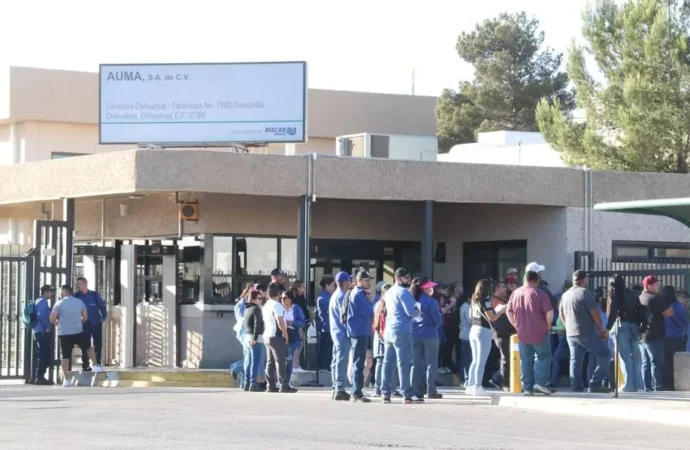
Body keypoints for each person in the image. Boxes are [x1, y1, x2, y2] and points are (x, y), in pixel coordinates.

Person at [559, 270, 611, 393]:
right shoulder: (584, 292)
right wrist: (601, 329)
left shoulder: (565, 295)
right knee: (605, 354)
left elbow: (561, 312)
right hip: (586, 332)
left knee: (575, 360)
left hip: (571, 333)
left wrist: (567, 325)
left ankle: (576, 387)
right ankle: (595, 384)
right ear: (584, 279)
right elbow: (594, 312)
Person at [506, 271, 554, 396]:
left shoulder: (515, 293)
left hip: (522, 332)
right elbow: (549, 313)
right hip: (540, 331)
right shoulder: (540, 293)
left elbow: (509, 312)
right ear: (536, 280)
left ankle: (527, 387)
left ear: (524, 279)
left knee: (525, 360)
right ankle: (540, 383)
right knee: (543, 356)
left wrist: (516, 325)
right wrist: (548, 326)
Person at [380, 267, 420, 404]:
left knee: (388, 363)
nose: (408, 280)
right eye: (405, 277)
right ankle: (406, 394)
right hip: (402, 331)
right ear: (398, 279)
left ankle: (385, 392)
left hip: (389, 330)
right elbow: (410, 312)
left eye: (409, 277)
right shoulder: (404, 292)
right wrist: (418, 311)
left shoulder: (389, 292)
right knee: (404, 363)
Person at [50, 285, 101, 387]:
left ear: (64, 292)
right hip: (78, 331)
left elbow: (52, 317)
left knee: (65, 356)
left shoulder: (59, 304)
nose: (59, 294)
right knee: (88, 347)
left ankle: (66, 380)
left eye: (60, 292)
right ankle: (95, 365)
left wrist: (57, 324)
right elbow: (85, 317)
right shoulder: (79, 302)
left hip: (64, 333)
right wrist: (78, 322)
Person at [606, 276, 644, 392]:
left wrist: (607, 329)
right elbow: (639, 309)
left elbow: (613, 314)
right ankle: (638, 385)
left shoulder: (615, 296)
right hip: (634, 327)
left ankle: (628, 385)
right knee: (635, 356)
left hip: (621, 326)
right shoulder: (632, 294)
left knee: (624, 357)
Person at [466, 279, 503, 396]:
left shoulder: (473, 300)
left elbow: (470, 315)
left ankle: (470, 385)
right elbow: (492, 317)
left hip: (473, 329)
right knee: (481, 361)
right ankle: (478, 386)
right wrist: (502, 310)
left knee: (475, 360)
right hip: (483, 331)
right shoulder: (486, 301)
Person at [344, 270, 374, 402]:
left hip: (360, 331)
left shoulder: (357, 293)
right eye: (366, 280)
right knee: (358, 362)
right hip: (359, 332)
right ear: (360, 281)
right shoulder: (358, 294)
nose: (369, 283)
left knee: (359, 361)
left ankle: (357, 390)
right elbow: (368, 311)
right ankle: (356, 391)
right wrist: (370, 301)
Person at [639, 275, 673, 391]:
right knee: (656, 362)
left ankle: (647, 386)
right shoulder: (656, 299)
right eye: (656, 285)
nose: (658, 287)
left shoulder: (640, 297)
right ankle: (657, 386)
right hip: (655, 334)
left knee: (646, 362)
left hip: (643, 334)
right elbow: (669, 313)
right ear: (649, 286)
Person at [410, 279, 443, 399]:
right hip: (430, 333)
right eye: (430, 287)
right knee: (431, 363)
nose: (432, 289)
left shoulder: (412, 300)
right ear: (424, 288)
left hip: (414, 334)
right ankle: (431, 390)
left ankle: (415, 390)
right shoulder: (431, 301)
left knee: (416, 363)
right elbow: (437, 320)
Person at [262, 284, 297, 393]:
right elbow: (280, 322)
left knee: (270, 361)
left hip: (267, 335)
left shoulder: (266, 305)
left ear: (268, 294)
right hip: (276, 335)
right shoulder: (277, 306)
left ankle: (270, 385)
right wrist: (285, 334)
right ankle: (283, 384)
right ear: (278, 295)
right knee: (280, 361)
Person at [75, 277, 107, 371]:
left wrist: (103, 318)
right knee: (85, 344)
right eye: (77, 284)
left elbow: (102, 307)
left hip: (95, 322)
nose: (77, 286)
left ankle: (97, 364)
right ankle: (86, 364)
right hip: (84, 323)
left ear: (85, 284)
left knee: (98, 344)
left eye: (79, 284)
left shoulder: (94, 295)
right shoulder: (76, 296)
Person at [329, 271, 352, 401]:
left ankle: (336, 386)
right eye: (349, 280)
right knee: (341, 360)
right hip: (342, 333)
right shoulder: (342, 296)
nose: (350, 282)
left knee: (336, 360)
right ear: (344, 282)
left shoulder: (335, 295)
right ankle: (339, 388)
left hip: (336, 332)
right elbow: (345, 317)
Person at [660, 285, 687, 390]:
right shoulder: (680, 307)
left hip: (664, 338)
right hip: (678, 338)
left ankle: (666, 386)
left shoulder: (662, 307)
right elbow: (684, 323)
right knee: (677, 364)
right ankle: (677, 385)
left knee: (665, 365)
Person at [490, 281, 514, 391]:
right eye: (503, 287)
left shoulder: (503, 300)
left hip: (508, 334)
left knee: (508, 359)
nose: (505, 289)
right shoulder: (494, 301)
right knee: (505, 359)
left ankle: (502, 380)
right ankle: (503, 382)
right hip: (501, 334)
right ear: (497, 288)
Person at [31, 285, 56, 385]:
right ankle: (39, 376)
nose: (52, 294)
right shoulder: (42, 301)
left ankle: (40, 376)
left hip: (40, 331)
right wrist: (48, 326)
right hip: (42, 331)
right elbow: (42, 315)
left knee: (44, 354)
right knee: (44, 354)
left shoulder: (39, 301)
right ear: (45, 292)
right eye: (50, 291)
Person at [242, 290, 265, 392]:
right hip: (255, 337)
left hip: (247, 336)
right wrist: (255, 339)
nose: (261, 300)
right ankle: (253, 383)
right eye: (259, 299)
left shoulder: (247, 308)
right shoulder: (256, 309)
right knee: (254, 362)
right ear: (253, 299)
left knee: (248, 361)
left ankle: (246, 383)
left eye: (261, 298)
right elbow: (258, 324)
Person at [282, 290, 306, 384]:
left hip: (292, 333)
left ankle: (288, 378)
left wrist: (292, 323)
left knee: (289, 356)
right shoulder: (280, 308)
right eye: (281, 298)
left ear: (290, 299)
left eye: (285, 298)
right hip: (282, 333)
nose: (282, 300)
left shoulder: (296, 308)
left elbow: (302, 322)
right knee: (282, 357)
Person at [372, 283, 391, 396]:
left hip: (383, 335)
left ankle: (384, 387)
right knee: (381, 362)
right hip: (381, 335)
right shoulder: (380, 305)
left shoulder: (383, 304)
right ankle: (378, 387)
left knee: (385, 362)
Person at [290, 280, 310, 373]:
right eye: (303, 287)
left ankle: (297, 364)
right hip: (298, 325)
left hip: (302, 323)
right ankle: (295, 365)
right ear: (298, 288)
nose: (305, 288)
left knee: (301, 344)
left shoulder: (301, 297)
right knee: (298, 345)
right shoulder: (296, 298)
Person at [316, 277, 336, 372]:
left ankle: (326, 365)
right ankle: (323, 366)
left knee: (329, 348)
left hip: (329, 327)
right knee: (326, 349)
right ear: (327, 285)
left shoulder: (328, 296)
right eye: (333, 285)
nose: (334, 288)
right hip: (326, 327)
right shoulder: (323, 298)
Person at [458, 295, 472, 386]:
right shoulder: (466, 307)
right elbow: (470, 321)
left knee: (466, 358)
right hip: (467, 335)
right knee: (467, 359)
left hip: (465, 335)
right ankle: (466, 378)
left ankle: (465, 378)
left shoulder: (464, 306)